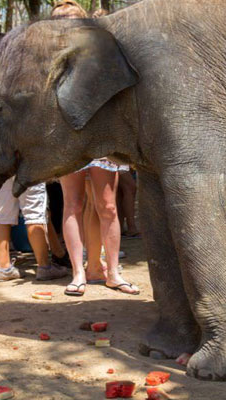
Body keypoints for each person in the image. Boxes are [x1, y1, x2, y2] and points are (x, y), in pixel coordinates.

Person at [51, 1, 139, 296]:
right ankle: (78, 274)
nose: (67, 24)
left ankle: (112, 272)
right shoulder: (46, 58)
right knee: (72, 204)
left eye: (72, 19)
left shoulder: (100, 53)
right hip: (67, 139)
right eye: (60, 20)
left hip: (101, 137)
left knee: (108, 206)